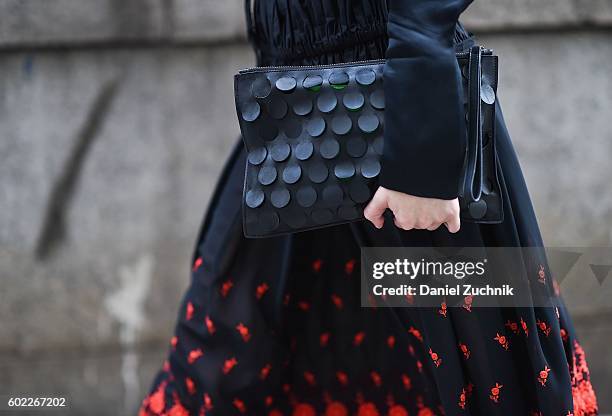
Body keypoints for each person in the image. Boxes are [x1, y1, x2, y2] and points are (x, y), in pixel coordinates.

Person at [139, 1, 598, 415]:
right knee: (219, 372)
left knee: (484, 381)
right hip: (292, 128)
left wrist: (420, 159)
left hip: (405, 126)